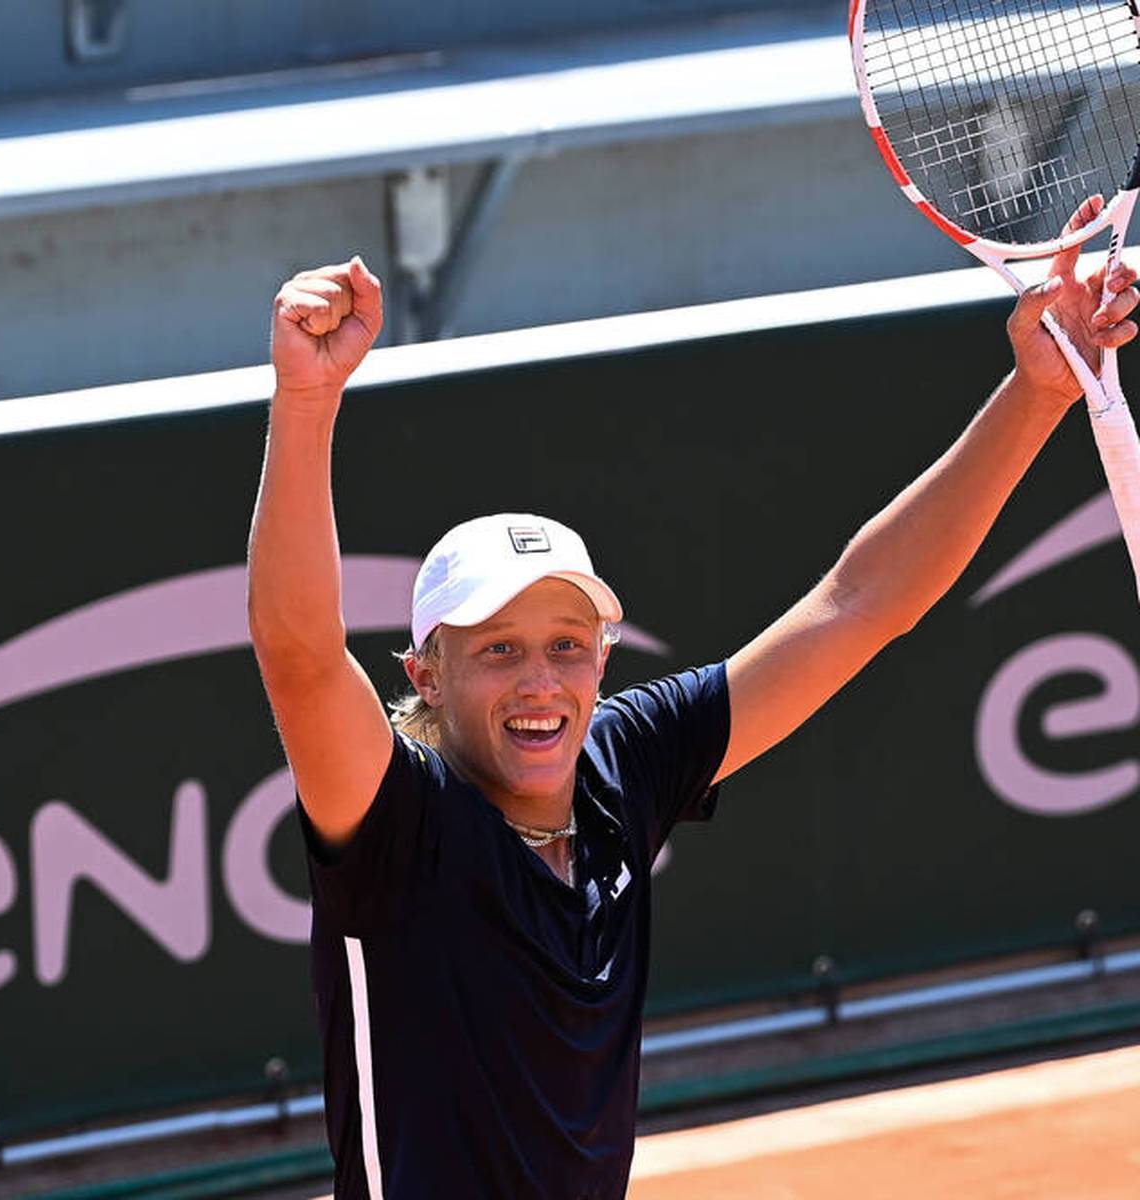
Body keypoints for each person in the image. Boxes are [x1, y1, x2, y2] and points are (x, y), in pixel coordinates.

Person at [246, 204, 1139, 1199]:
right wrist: (307, 400)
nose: (541, 681)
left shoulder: (623, 767)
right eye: (498, 650)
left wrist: (1036, 392)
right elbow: (299, 656)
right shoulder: (396, 825)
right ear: (426, 675)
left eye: (568, 647)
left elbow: (858, 605)